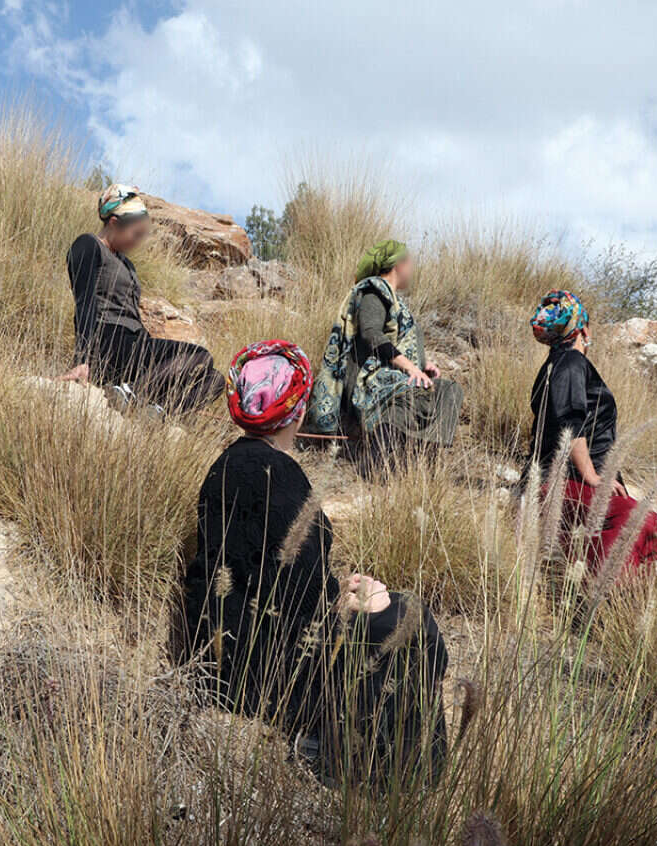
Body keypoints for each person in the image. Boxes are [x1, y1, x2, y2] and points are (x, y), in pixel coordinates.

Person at [176, 339, 448, 785]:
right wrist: (351, 600)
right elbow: (296, 592)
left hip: (221, 650)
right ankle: (388, 767)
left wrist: (340, 589)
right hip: (270, 666)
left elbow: (263, 570)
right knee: (410, 619)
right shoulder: (281, 475)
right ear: (298, 412)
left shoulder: (223, 465)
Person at [528, 290, 657, 577]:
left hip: (560, 484)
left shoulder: (553, 366)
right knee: (641, 521)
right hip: (569, 482)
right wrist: (591, 476)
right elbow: (570, 421)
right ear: (583, 330)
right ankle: (604, 594)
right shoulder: (571, 362)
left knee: (635, 528)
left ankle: (609, 591)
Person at [307, 239, 464, 474]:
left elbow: (398, 343)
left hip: (391, 374)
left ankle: (420, 454)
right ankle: (376, 459)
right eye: (410, 263)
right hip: (370, 377)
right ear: (399, 264)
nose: (412, 269)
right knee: (410, 393)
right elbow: (371, 334)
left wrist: (423, 364)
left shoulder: (394, 300)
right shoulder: (373, 292)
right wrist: (410, 367)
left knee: (449, 390)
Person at [65, 184, 224, 412]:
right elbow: (85, 302)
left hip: (135, 345)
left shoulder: (126, 263)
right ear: (114, 223)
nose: (138, 241)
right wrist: (82, 359)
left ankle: (158, 414)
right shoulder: (88, 245)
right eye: (135, 234)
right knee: (200, 356)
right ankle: (132, 395)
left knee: (215, 380)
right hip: (109, 342)